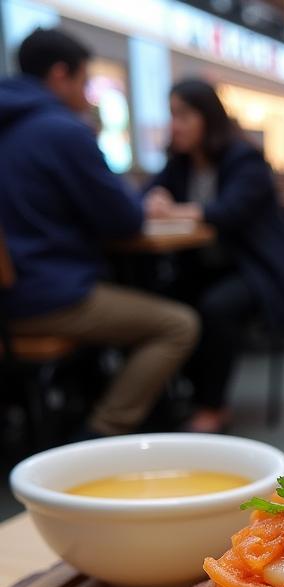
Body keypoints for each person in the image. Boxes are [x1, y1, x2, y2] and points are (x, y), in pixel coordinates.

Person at [0, 28, 198, 438]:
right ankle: (99, 432)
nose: (88, 94)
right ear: (60, 75)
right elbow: (124, 219)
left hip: (11, 294)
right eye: (85, 81)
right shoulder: (60, 130)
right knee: (177, 324)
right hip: (45, 296)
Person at [144, 79, 284, 433]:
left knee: (215, 308)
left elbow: (229, 212)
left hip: (257, 268)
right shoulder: (180, 163)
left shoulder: (244, 158)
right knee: (163, 303)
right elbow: (151, 192)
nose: (176, 125)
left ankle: (213, 404)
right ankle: (170, 400)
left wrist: (175, 211)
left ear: (208, 117)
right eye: (173, 115)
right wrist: (155, 195)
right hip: (204, 267)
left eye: (184, 115)